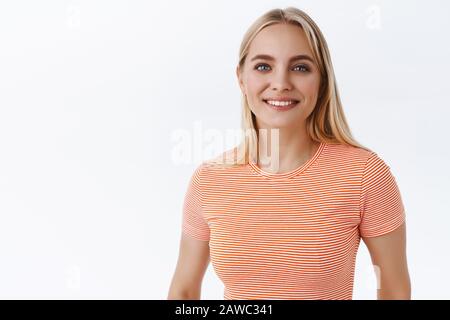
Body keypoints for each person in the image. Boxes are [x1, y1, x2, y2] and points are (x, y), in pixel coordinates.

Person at [167, 7, 411, 300]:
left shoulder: (364, 175)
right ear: (241, 79)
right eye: (263, 66)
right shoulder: (209, 181)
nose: (281, 83)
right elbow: (183, 290)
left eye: (300, 67)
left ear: (321, 82)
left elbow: (394, 289)